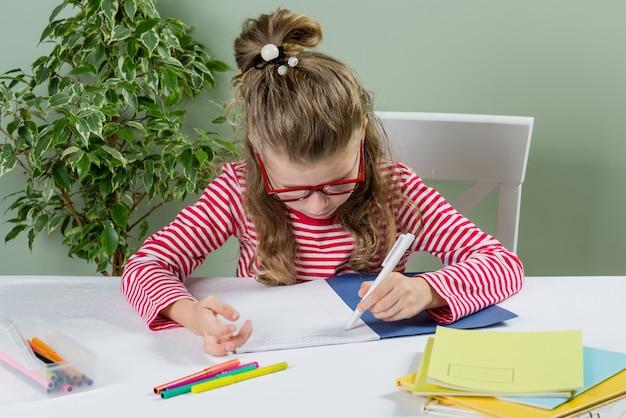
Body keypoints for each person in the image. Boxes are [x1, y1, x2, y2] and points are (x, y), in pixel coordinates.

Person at [121, 9, 524, 356]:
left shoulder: (394, 188)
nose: (318, 206)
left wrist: (427, 291)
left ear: (362, 133)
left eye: (337, 184)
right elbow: (145, 265)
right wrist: (188, 312)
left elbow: (503, 265)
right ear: (259, 156)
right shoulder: (237, 189)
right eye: (294, 191)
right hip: (266, 364)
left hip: (372, 365)